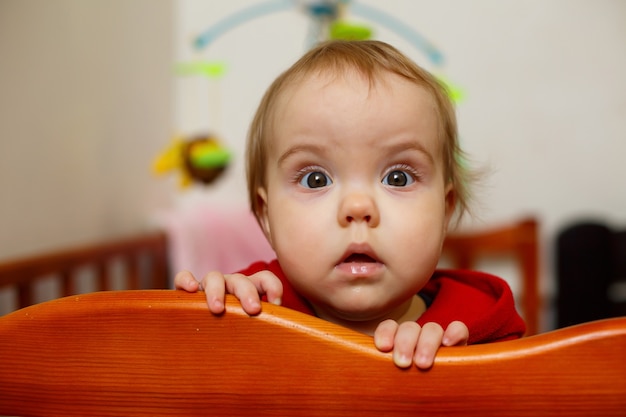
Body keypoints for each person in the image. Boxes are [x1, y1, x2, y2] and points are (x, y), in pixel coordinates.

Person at [175, 40, 526, 369]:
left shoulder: (479, 325)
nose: (358, 207)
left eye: (398, 178)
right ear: (266, 216)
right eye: (316, 179)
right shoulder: (252, 306)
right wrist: (207, 324)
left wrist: (455, 377)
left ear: (445, 209)